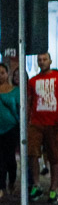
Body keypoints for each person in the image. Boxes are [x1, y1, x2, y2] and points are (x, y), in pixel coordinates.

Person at [27, 52, 58, 203]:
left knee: (55, 156)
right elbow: (29, 101)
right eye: (39, 60)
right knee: (33, 153)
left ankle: (54, 188)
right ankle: (36, 185)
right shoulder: (33, 81)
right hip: (36, 122)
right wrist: (27, 120)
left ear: (50, 61)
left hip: (54, 123)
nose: (42, 62)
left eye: (44, 59)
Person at [0, 62, 18, 198]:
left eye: (2, 73)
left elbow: (19, 109)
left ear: (7, 74)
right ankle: (1, 186)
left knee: (10, 158)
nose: (0, 76)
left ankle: (12, 180)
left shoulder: (15, 90)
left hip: (12, 128)